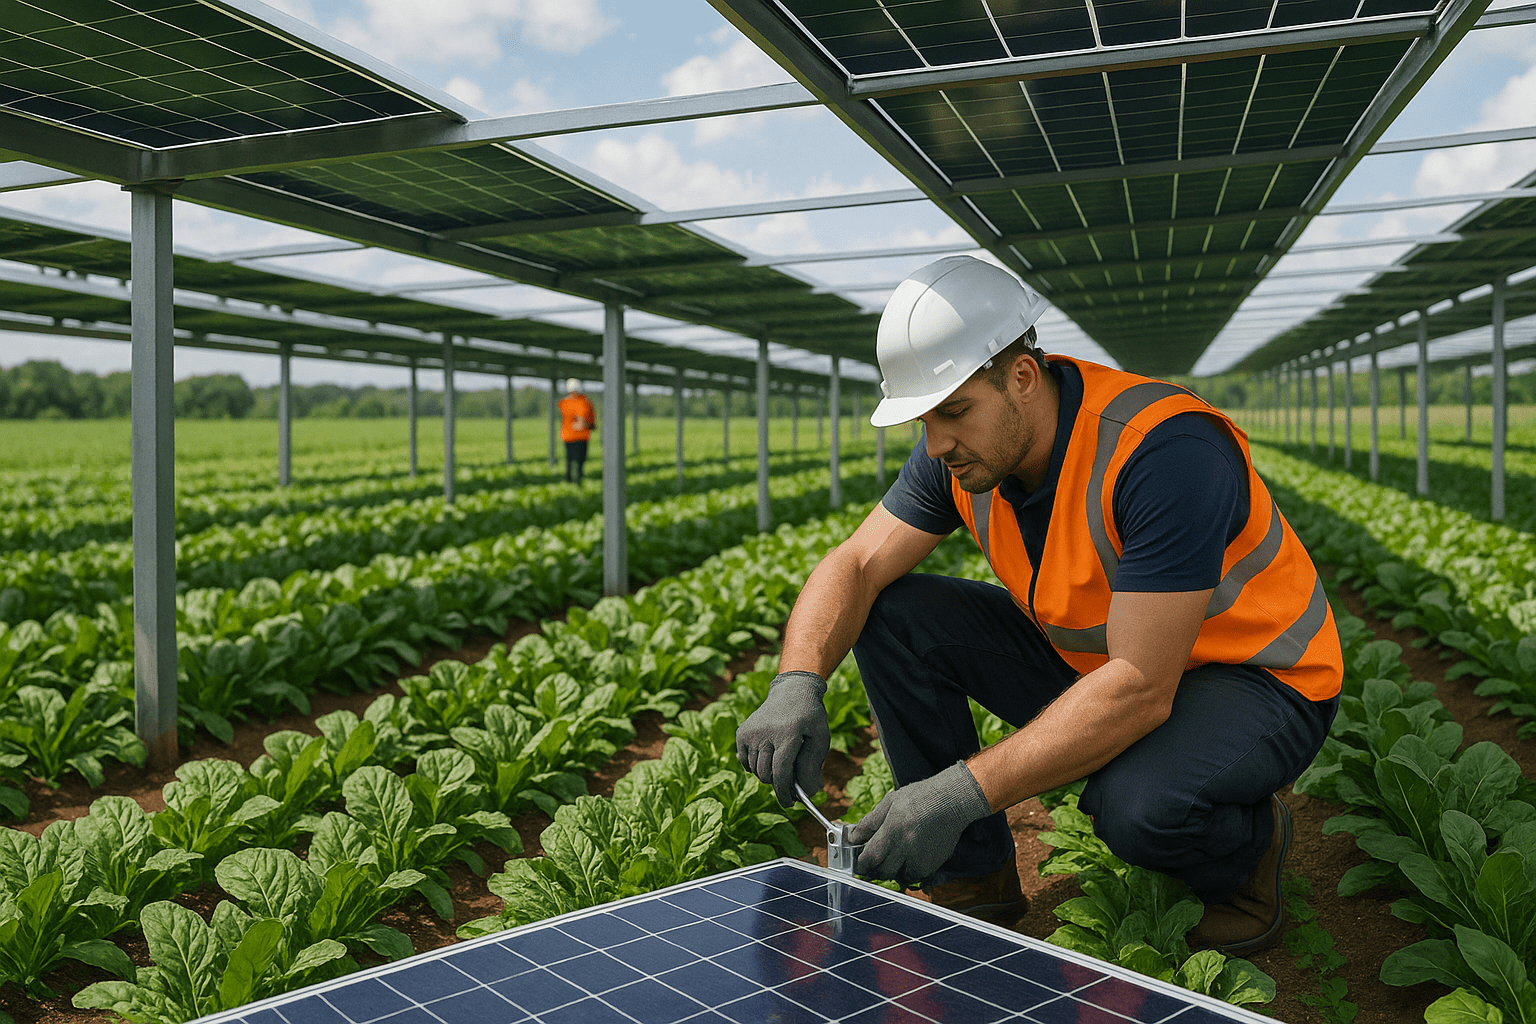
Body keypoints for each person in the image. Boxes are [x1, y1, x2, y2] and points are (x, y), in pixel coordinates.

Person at [736, 255, 1341, 955]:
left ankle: (1249, 852)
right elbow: (857, 563)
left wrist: (955, 793)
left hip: (1256, 678)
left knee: (1139, 807)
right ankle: (972, 876)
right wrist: (796, 681)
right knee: (891, 613)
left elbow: (1142, 688)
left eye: (954, 413)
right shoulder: (957, 454)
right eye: (923, 421)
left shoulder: (1164, 449)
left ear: (1021, 376)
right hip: (1101, 663)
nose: (937, 444)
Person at [558, 378, 594, 484]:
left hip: (567, 435)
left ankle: (568, 477)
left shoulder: (564, 402)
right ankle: (578, 479)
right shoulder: (584, 402)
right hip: (581, 436)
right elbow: (584, 419)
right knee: (580, 459)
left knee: (569, 457)